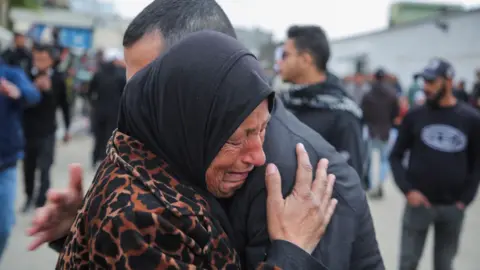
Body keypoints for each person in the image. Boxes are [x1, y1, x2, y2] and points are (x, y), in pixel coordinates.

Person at [29, 1, 383, 269]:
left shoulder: (292, 178)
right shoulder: (158, 153)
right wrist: (86, 231)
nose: (141, 101)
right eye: (134, 84)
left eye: (156, 81)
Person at [389, 58, 480, 270]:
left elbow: (477, 163)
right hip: (418, 205)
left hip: (452, 208)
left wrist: (465, 200)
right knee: (408, 263)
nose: (426, 87)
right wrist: (407, 190)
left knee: (444, 264)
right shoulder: (414, 116)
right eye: (424, 81)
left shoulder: (471, 120)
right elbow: (395, 155)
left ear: (448, 81)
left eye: (431, 82)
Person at [279, 25, 366, 179]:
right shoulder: (284, 103)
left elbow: (350, 182)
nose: (279, 62)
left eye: (285, 55)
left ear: (306, 59)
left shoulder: (343, 114)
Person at [21, 44, 71, 212]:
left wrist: (67, 128)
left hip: (48, 131)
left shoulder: (58, 78)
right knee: (28, 167)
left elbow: (63, 105)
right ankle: (29, 197)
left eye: (43, 59)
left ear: (51, 61)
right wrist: (32, 90)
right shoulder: (26, 76)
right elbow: (20, 103)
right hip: (28, 131)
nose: (39, 63)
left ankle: (41, 202)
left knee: (45, 168)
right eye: (37, 59)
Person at [0, 62, 40, 261]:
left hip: (5, 165)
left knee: (4, 227)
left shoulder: (10, 74)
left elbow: (33, 94)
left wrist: (16, 92)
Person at [361, 69, 399, 198]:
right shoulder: (391, 93)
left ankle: (372, 185)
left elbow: (363, 112)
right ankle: (380, 183)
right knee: (384, 160)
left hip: (371, 130)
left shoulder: (368, 94)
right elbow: (395, 112)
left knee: (370, 160)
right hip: (385, 130)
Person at [88, 48, 126, 168]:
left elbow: (89, 91)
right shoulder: (121, 75)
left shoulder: (98, 74)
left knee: (98, 136)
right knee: (110, 136)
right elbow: (124, 93)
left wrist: (94, 103)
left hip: (99, 110)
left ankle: (95, 158)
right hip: (114, 112)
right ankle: (107, 160)